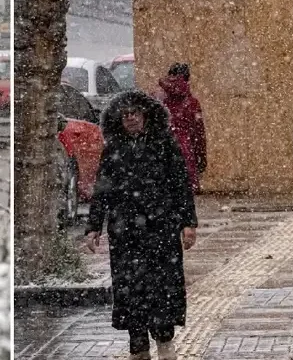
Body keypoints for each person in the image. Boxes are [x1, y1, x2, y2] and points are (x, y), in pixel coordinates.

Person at [85, 91, 198, 360]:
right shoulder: (114, 149)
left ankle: (165, 342)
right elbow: (102, 190)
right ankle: (138, 347)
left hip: (161, 229)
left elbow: (180, 184)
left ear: (145, 114)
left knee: (163, 287)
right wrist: (93, 226)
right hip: (125, 232)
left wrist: (188, 223)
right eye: (125, 115)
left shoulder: (164, 143)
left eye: (135, 113)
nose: (131, 119)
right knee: (130, 289)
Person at [158, 63, 207, 193]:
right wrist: (201, 156)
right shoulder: (192, 103)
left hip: (163, 150)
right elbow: (199, 132)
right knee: (186, 194)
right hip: (186, 152)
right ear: (187, 79)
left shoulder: (159, 101)